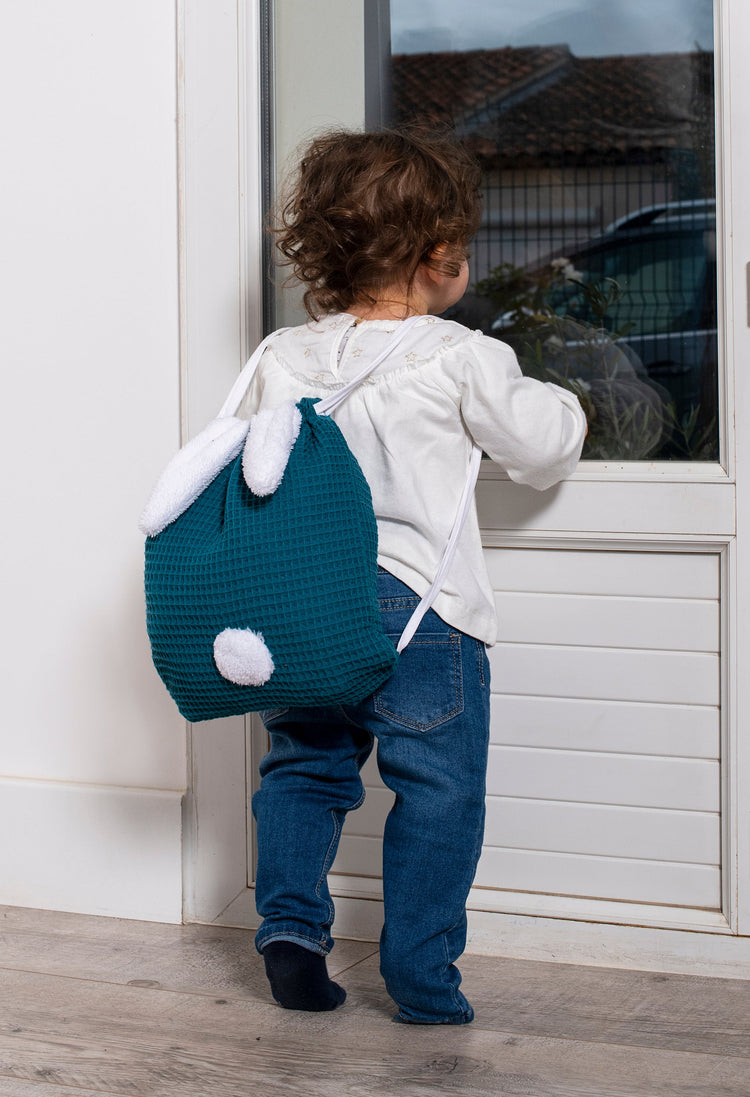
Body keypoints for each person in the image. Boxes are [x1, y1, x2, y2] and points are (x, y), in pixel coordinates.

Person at [236, 128, 587, 1025]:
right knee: (438, 790)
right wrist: (572, 403)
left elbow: (243, 467)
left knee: (304, 770)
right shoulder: (457, 355)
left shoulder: (279, 357)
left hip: (306, 607)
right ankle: (424, 980)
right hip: (422, 612)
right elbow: (541, 450)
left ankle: (290, 933)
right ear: (442, 256)